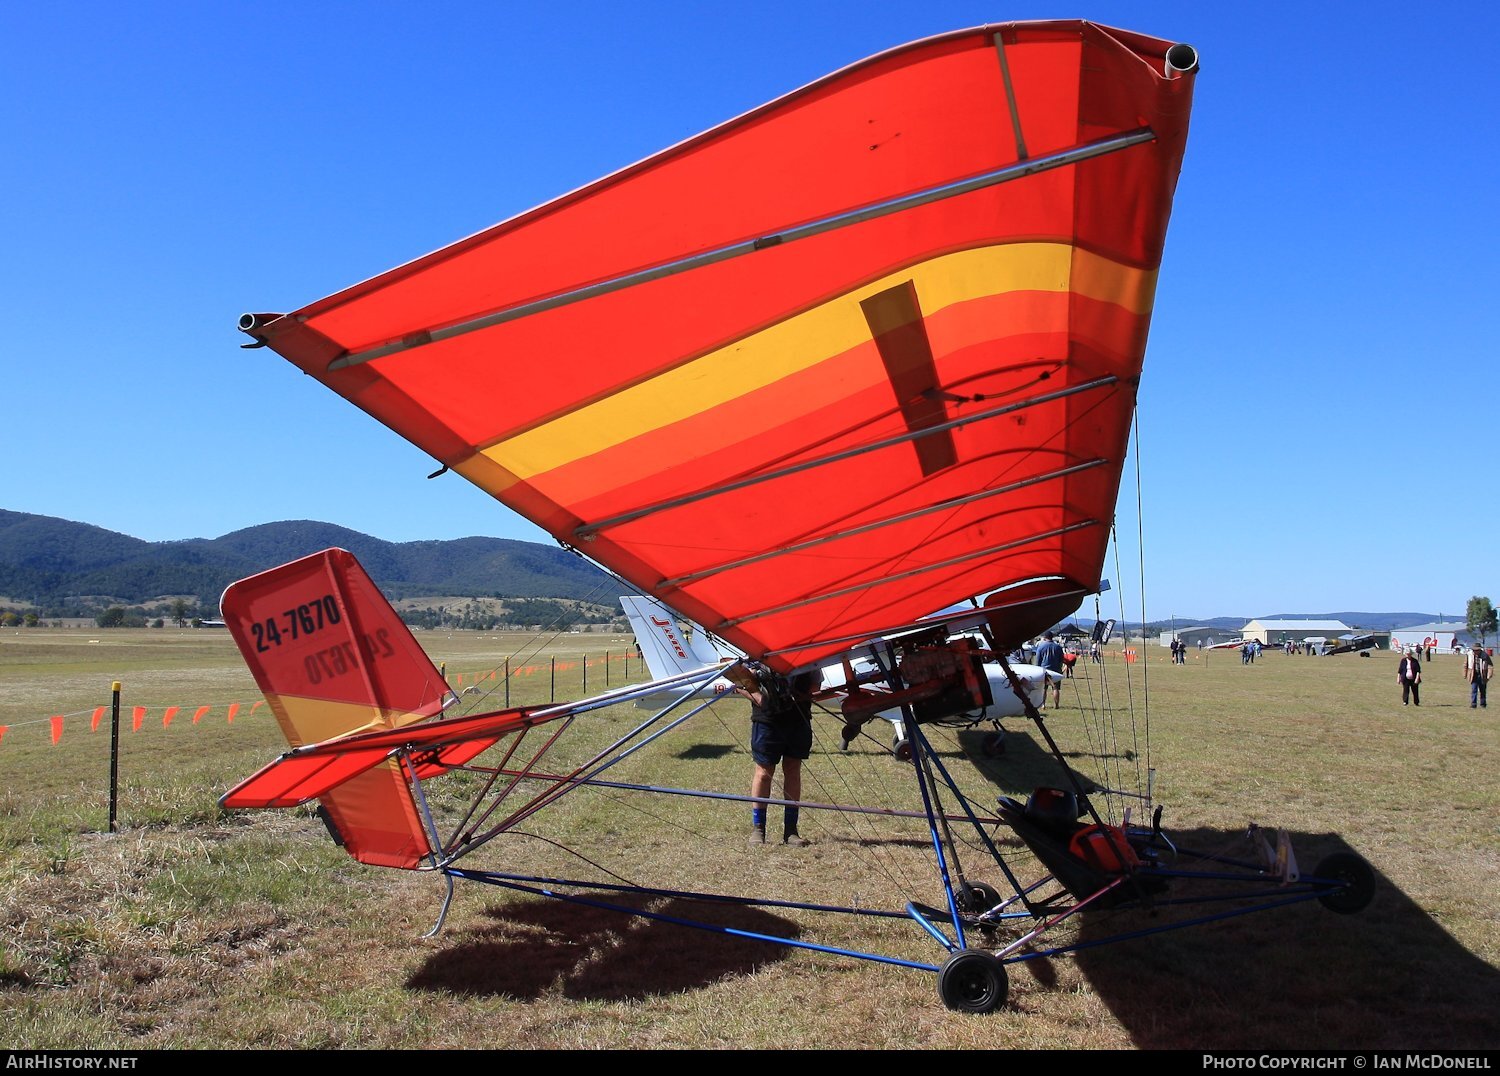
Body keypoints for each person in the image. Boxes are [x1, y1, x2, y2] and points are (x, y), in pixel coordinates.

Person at [738, 669, 817, 845]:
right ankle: (758, 829)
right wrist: (758, 697)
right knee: (764, 773)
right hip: (767, 720)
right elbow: (738, 681)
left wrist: (803, 695)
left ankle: (791, 831)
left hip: (798, 718)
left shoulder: (807, 657)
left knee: (792, 769)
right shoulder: (754, 655)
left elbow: (816, 682)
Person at [1035, 631, 1065, 708]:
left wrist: (1037, 668)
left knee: (1044, 688)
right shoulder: (1058, 647)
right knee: (1055, 688)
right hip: (1056, 669)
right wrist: (1060, 668)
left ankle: (1043, 704)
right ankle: (1056, 705)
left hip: (1045, 669)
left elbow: (1038, 660)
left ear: (1045, 637)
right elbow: (1061, 659)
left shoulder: (1041, 647)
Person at [1466, 643, 1492, 709]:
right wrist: (1465, 673)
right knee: (1474, 690)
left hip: (1482, 675)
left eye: (1476, 650)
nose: (1475, 651)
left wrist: (1488, 676)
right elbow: (1466, 664)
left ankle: (1483, 704)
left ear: (1480, 650)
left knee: (1482, 690)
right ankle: (1473, 704)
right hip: (1473, 675)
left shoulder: (1485, 656)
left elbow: (1490, 666)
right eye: (1474, 650)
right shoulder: (1470, 655)